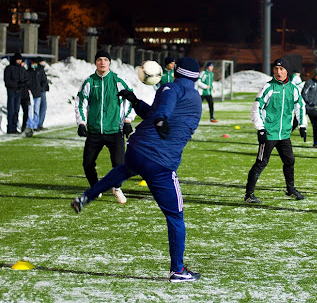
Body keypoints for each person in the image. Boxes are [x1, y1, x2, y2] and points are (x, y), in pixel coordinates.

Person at [71, 57, 203, 282]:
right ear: (196, 77)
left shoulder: (168, 87)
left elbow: (156, 112)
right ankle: (178, 271)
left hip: (136, 149)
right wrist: (161, 120)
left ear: (177, 72)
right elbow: (161, 113)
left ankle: (87, 196)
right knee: (175, 216)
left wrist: (134, 100)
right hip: (160, 162)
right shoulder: (184, 93)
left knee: (124, 169)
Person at [75, 50, 135, 204]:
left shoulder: (118, 80)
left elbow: (130, 100)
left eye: (105, 60)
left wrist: (127, 121)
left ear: (109, 63)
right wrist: (81, 123)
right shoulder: (89, 82)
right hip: (94, 131)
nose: (102, 62)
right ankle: (96, 187)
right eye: (99, 60)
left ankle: (116, 187)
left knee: (119, 165)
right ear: (95, 62)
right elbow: (80, 103)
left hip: (115, 130)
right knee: (87, 164)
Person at [244, 58, 307, 204]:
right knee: (261, 162)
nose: (278, 72)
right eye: (276, 69)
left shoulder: (293, 89)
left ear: (287, 71)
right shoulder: (268, 87)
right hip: (269, 133)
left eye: (281, 69)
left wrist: (302, 125)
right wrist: (260, 129)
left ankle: (290, 190)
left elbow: (300, 107)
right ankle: (249, 194)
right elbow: (256, 108)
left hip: (284, 134)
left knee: (290, 161)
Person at [3, 53, 28, 134]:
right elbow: (7, 81)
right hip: (12, 91)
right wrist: (16, 85)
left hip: (19, 92)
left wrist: (22, 84)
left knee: (16, 110)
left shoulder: (22, 69)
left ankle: (14, 127)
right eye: (18, 60)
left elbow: (26, 79)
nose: (19, 61)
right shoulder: (9, 68)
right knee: (11, 110)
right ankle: (10, 128)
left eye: (20, 60)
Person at [302, 68, 317, 148]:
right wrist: (309, 102)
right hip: (305, 107)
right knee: (295, 124)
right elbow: (304, 94)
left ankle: (316, 143)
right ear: (315, 75)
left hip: (312, 108)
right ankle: (282, 140)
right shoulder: (309, 82)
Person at [24, 59, 45, 137]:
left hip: (38, 93)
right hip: (30, 93)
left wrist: (41, 89)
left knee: (36, 110)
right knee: (30, 109)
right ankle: (30, 125)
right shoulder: (28, 72)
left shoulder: (40, 71)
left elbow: (44, 81)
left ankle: (35, 125)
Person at [36, 58, 50, 131]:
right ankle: (38, 124)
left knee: (42, 107)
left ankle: (40, 123)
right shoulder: (39, 70)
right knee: (41, 107)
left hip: (42, 90)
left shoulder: (41, 70)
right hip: (40, 91)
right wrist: (42, 88)